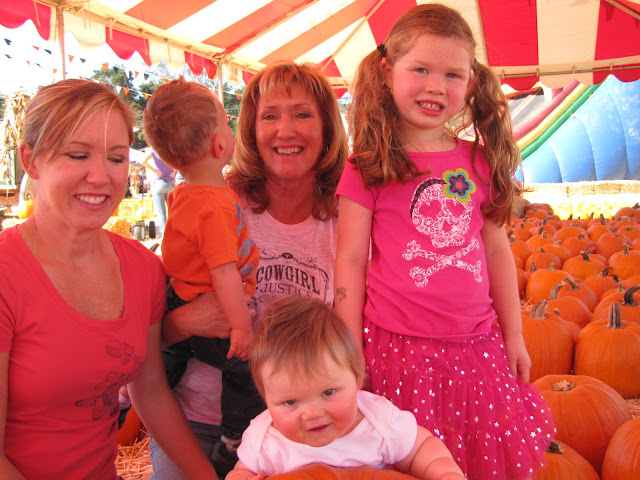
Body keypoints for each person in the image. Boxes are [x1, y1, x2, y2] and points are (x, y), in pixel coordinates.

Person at [333, 4, 555, 480]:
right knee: (408, 458)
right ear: (387, 71)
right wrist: (348, 349)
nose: (436, 86)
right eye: (421, 70)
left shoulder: (479, 161)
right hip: (397, 349)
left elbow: (496, 251)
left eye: (453, 75)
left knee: (474, 456)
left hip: (477, 345)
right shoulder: (369, 164)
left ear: (470, 83)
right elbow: (349, 259)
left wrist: (515, 335)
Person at [0, 79, 218, 480]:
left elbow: (150, 393)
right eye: (78, 155)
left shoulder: (142, 268)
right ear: (31, 161)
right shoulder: (6, 273)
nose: (101, 177)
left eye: (116, 158)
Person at [148, 62, 349, 480]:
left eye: (302, 114)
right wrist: (184, 322)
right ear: (249, 131)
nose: (285, 130)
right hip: (194, 422)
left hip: (299, 432)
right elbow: (152, 335)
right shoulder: (213, 198)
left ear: (328, 128)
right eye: (270, 116)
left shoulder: (347, 218)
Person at [142, 77, 263, 458]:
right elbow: (224, 272)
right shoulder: (216, 206)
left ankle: (132, 395)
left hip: (178, 294)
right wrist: (240, 326)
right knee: (242, 368)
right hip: (206, 299)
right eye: (226, 124)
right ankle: (234, 438)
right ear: (219, 144)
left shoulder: (183, 193)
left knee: (172, 355)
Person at [228, 296, 466, 480]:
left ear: (357, 379)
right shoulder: (264, 440)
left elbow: (421, 447)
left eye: (328, 393)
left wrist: (445, 473)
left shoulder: (377, 421)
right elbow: (242, 471)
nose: (312, 413)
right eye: (290, 402)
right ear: (267, 399)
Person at [142, 148, 176, 237]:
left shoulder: (154, 151)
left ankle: (164, 235)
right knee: (172, 210)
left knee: (161, 212)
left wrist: (155, 171)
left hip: (158, 183)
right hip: (170, 182)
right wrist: (174, 171)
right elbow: (180, 161)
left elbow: (144, 162)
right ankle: (173, 233)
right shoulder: (170, 150)